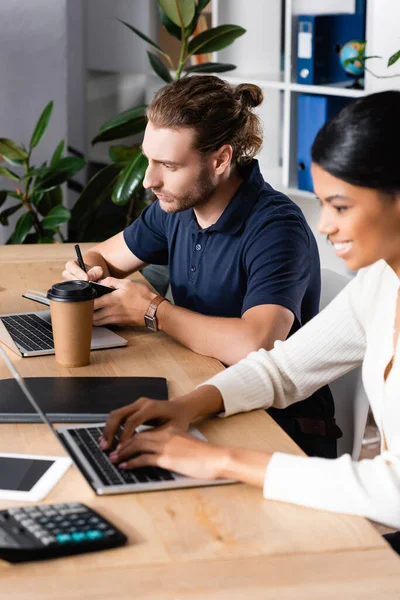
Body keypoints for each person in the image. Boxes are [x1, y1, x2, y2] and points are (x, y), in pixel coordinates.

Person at [99, 90, 400, 536]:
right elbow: (284, 367)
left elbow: (392, 491)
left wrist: (220, 459)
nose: (324, 225)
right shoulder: (379, 283)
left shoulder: (275, 224)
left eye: (340, 206)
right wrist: (186, 405)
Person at [64, 75, 336, 458]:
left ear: (221, 159)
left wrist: (152, 311)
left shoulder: (276, 227)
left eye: (168, 165)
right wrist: (87, 273)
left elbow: (256, 343)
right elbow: (102, 256)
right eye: (148, 159)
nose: (148, 179)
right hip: (203, 391)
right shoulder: (176, 206)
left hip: (280, 427)